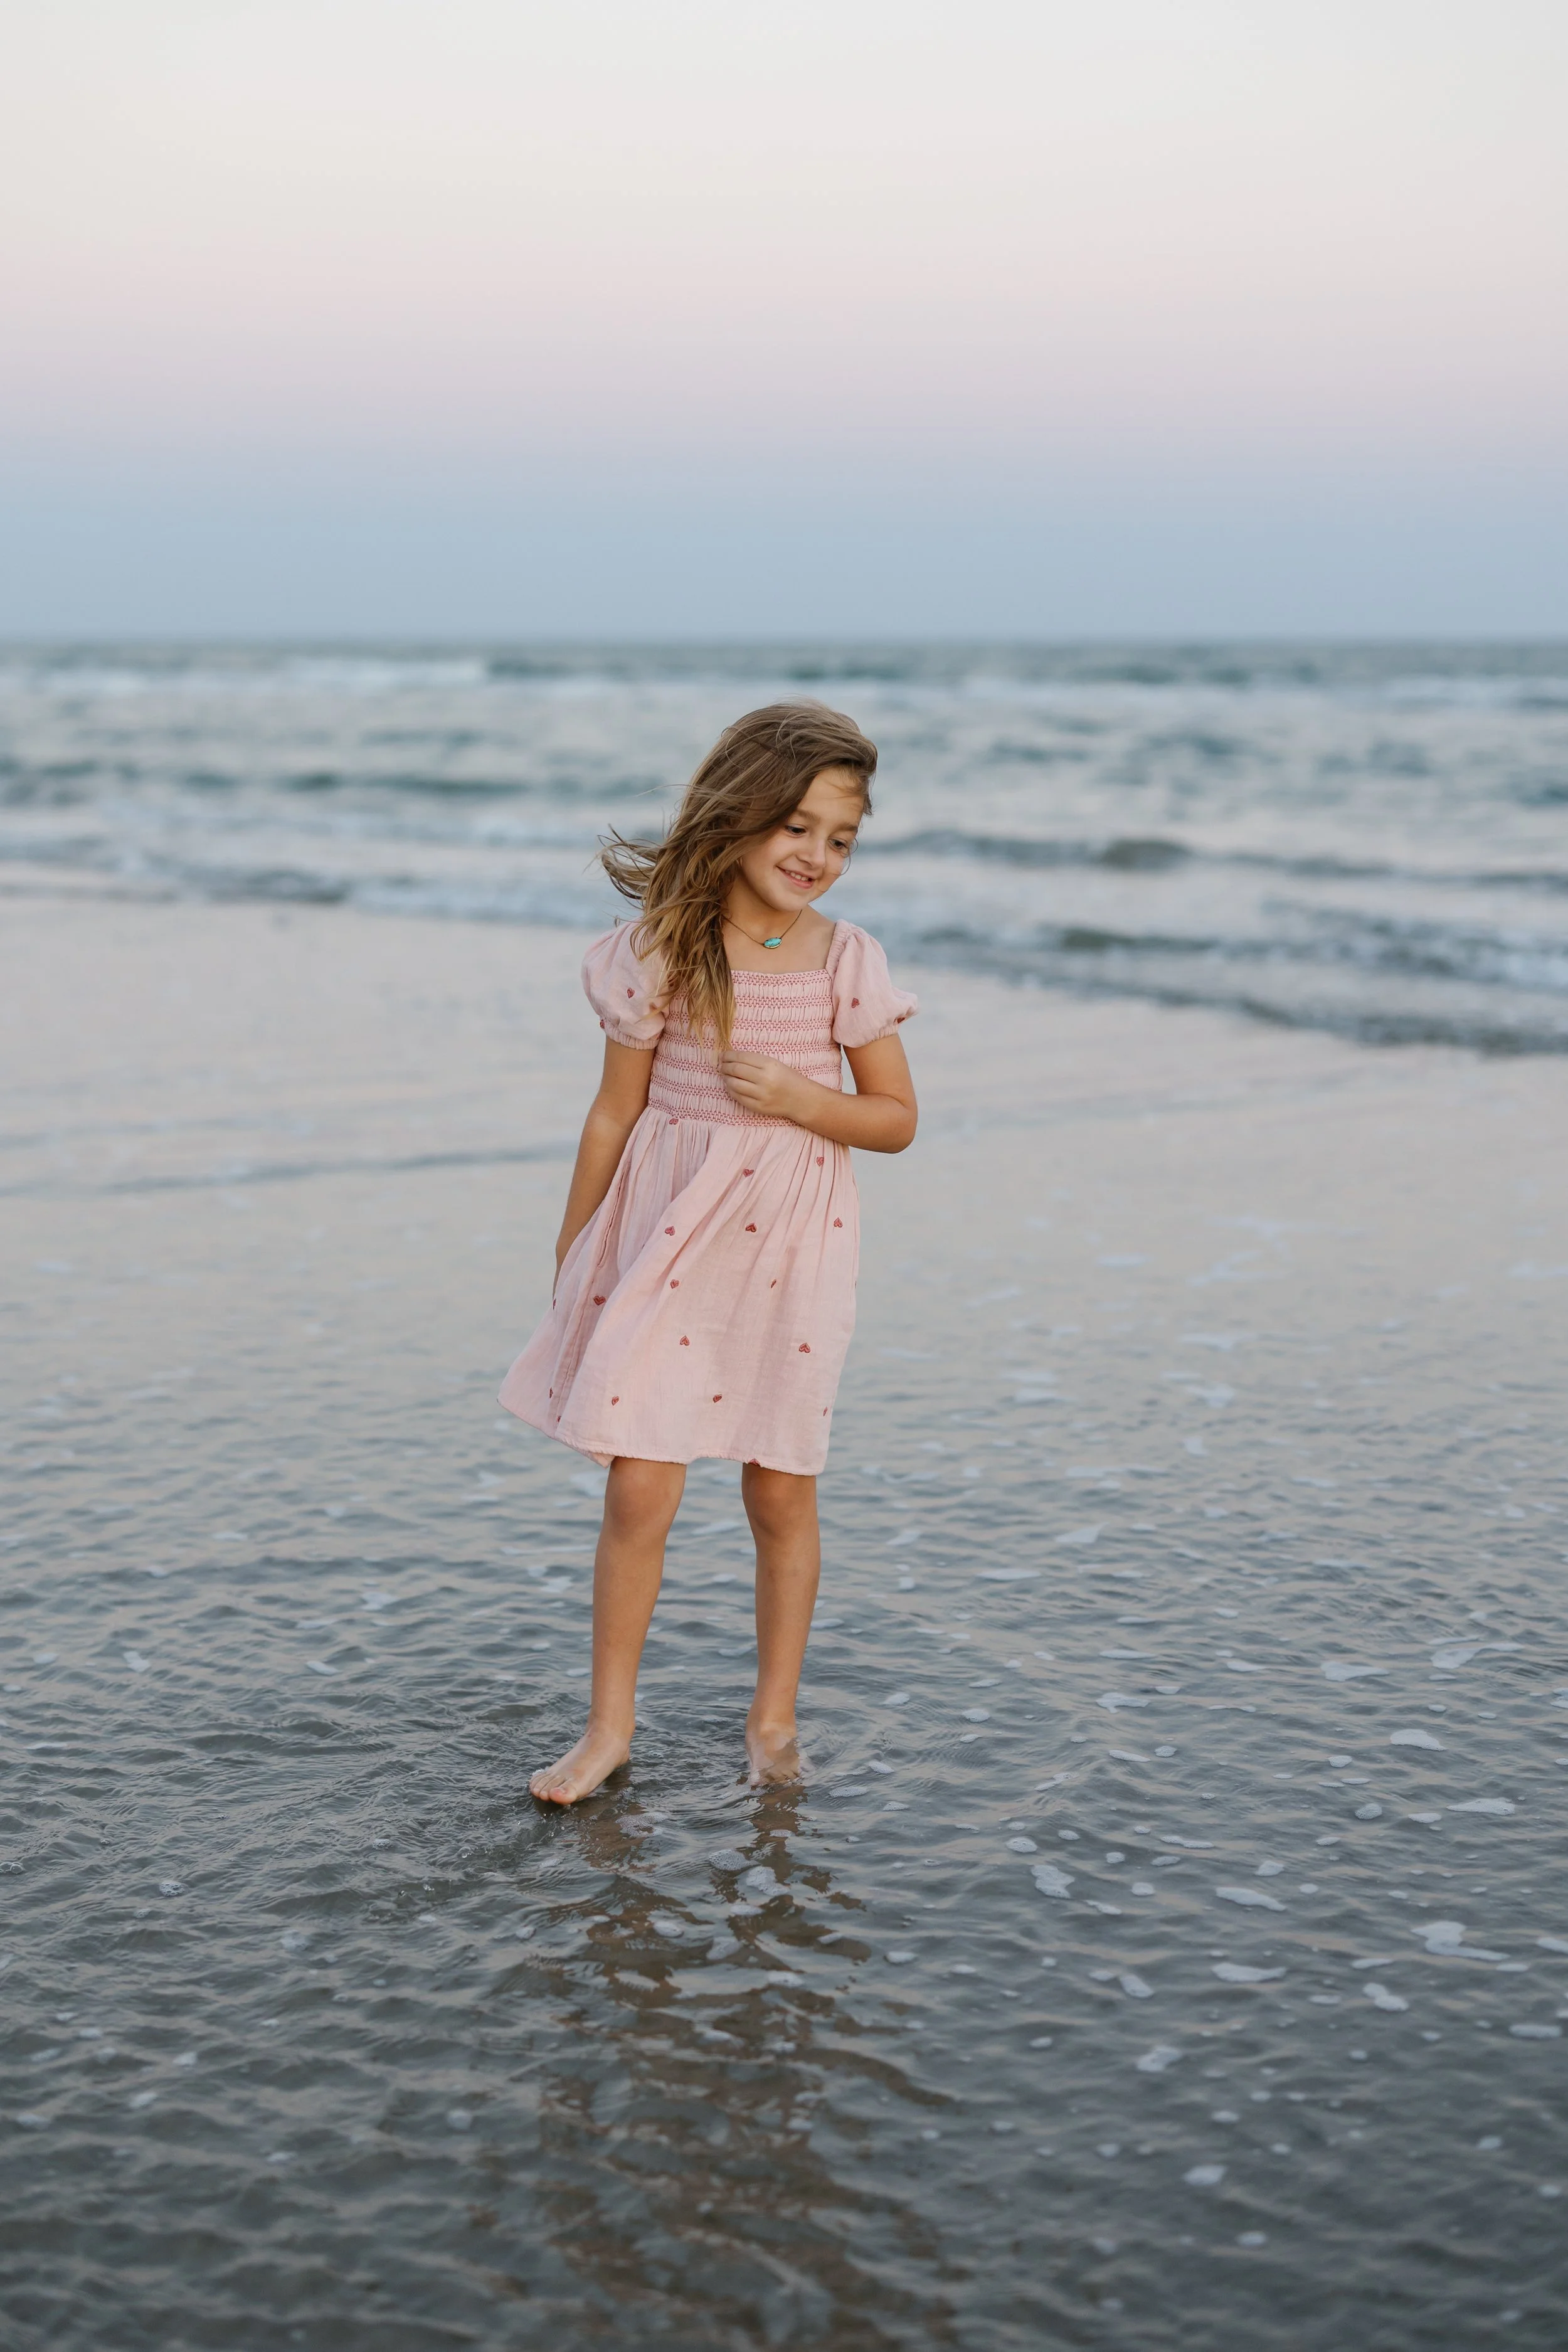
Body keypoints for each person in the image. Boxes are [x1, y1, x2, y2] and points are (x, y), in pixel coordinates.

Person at [499, 702, 918, 1803]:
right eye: (800, 827)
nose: (818, 857)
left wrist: (801, 1097)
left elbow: (896, 1118)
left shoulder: (847, 961)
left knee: (781, 1490)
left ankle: (773, 1717)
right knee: (642, 1484)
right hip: (669, 1238)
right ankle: (608, 1728)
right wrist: (576, 1238)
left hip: (793, 1245)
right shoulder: (663, 951)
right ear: (737, 814)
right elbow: (611, 1114)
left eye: (842, 838)